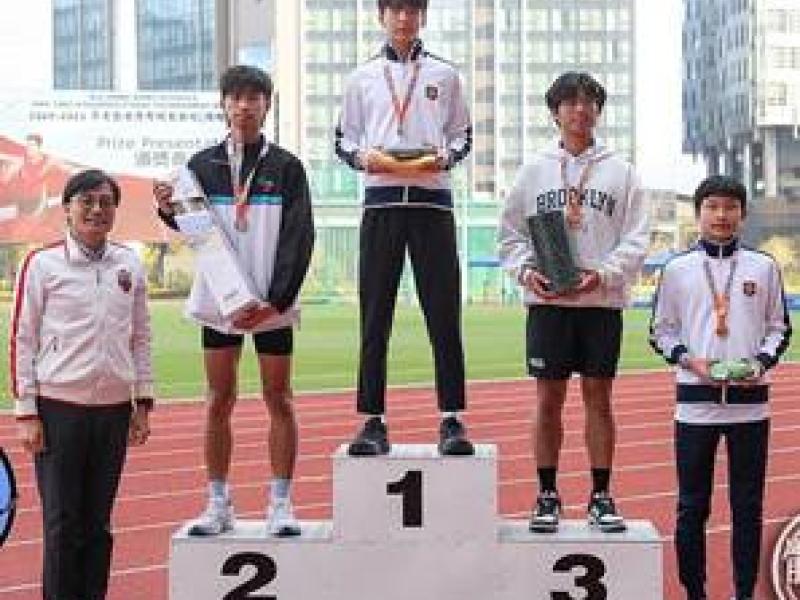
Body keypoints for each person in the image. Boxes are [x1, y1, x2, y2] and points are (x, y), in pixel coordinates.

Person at [153, 65, 314, 537]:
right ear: (223, 104)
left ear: (268, 106)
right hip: (221, 302)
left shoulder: (286, 167)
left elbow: (299, 236)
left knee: (279, 398)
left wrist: (276, 300)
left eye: (254, 98)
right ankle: (218, 503)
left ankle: (280, 503)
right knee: (218, 400)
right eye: (236, 97)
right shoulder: (200, 166)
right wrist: (167, 209)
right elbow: (194, 230)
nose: (244, 106)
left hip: (271, 303)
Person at [498, 71, 649, 533]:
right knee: (548, 398)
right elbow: (509, 236)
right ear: (555, 112)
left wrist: (602, 274)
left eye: (588, 102)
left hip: (600, 304)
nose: (579, 110)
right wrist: (528, 272)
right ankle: (547, 494)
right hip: (549, 305)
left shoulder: (622, 172)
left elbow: (637, 239)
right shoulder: (533, 170)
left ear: (599, 111)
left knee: (599, 398)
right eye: (569, 102)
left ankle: (601, 495)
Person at [335, 0, 474, 457]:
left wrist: (445, 158)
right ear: (381, 16)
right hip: (382, 204)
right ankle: (372, 420)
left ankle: (451, 418)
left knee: (443, 313)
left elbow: (463, 136)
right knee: (375, 315)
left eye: (412, 9)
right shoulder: (361, 77)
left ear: (423, 17)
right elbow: (343, 139)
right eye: (395, 9)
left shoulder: (445, 75)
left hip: (433, 203)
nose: (403, 18)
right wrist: (365, 159)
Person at [10, 168, 154, 600]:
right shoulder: (42, 264)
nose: (96, 209)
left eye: (106, 202)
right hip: (59, 410)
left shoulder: (129, 263)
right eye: (86, 201)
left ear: (115, 210)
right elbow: (22, 338)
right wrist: (27, 411)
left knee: (98, 524)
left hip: (113, 411)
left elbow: (141, 336)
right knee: (62, 524)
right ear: (68, 209)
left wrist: (142, 404)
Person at [650, 175, 791, 600]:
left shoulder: (763, 267)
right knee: (692, 506)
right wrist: (689, 360)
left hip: (751, 407)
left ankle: (743, 592)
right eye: (712, 207)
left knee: (747, 508)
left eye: (730, 207)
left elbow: (779, 328)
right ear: (699, 214)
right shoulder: (676, 269)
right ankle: (695, 592)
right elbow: (661, 331)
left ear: (742, 214)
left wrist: (760, 362)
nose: (721, 215)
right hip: (695, 407)